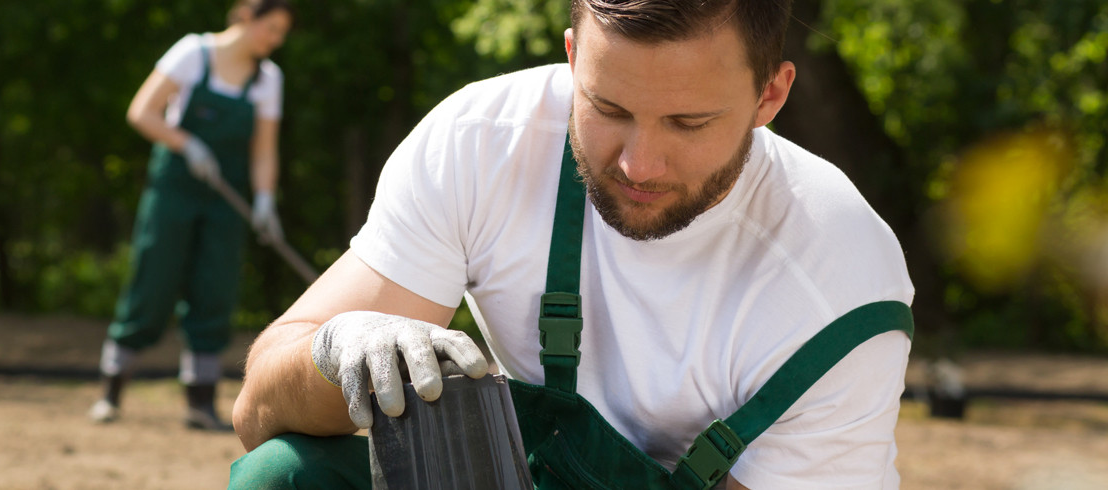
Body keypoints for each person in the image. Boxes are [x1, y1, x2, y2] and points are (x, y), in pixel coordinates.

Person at [228, 0, 915, 488]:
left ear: (771, 96)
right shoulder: (480, 143)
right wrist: (336, 350)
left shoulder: (841, 283)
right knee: (285, 477)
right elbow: (257, 411)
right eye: (609, 109)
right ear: (571, 56)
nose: (639, 163)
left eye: (688, 122)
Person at [89, 0, 293, 432]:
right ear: (246, 15)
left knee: (214, 288)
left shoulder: (268, 79)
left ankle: (200, 403)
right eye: (271, 28)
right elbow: (141, 112)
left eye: (281, 33)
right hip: (175, 189)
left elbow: (263, 149)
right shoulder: (193, 53)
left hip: (225, 198)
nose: (275, 40)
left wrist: (264, 201)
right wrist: (187, 144)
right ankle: (111, 392)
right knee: (153, 280)